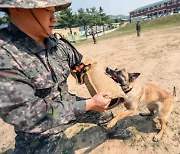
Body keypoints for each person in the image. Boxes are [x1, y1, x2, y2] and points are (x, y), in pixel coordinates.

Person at [0, 0, 131, 153]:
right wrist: (88, 104)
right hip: (39, 131)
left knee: (104, 113)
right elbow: (25, 114)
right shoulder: (5, 56)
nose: (54, 18)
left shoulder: (57, 44)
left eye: (54, 11)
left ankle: (112, 130)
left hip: (68, 103)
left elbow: (83, 64)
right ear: (17, 9)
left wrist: (108, 87)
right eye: (47, 10)